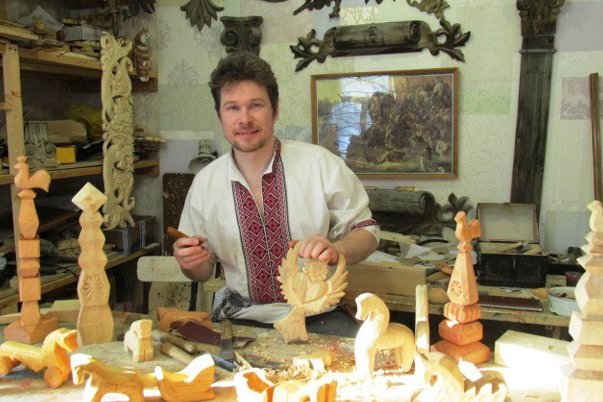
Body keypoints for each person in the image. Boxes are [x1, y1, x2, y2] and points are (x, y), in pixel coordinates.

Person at [173, 51, 379, 334]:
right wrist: (190, 263)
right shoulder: (205, 184)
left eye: (256, 105)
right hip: (241, 318)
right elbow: (202, 271)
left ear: (275, 110)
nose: (245, 119)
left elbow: (367, 231)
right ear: (220, 116)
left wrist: (338, 250)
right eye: (232, 108)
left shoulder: (320, 164)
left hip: (318, 315)